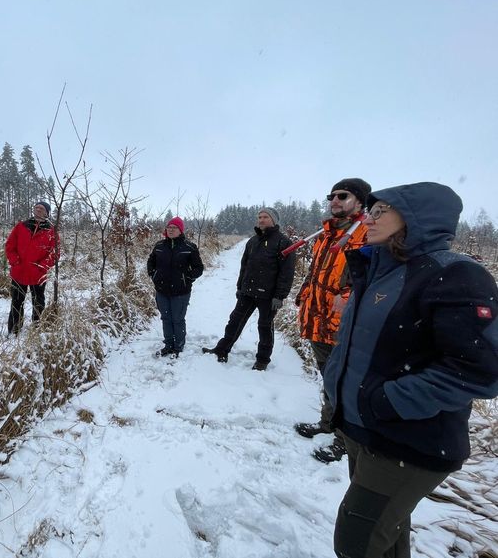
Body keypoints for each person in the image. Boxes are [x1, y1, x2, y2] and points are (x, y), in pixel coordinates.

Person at [324, 182, 498, 558]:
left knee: (357, 543)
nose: (368, 218)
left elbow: (480, 370)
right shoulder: (378, 271)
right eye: (370, 210)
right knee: (387, 538)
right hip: (368, 430)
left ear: (417, 219)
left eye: (380, 210)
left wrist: (388, 402)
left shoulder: (453, 275)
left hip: (409, 440)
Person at [293, 177, 371, 463]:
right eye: (332, 196)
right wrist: (303, 294)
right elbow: (316, 271)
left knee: (346, 384)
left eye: (343, 195)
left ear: (360, 201)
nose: (335, 200)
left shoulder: (367, 233)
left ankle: (345, 440)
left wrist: (351, 296)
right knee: (328, 379)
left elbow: (373, 277)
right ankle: (327, 424)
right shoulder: (326, 234)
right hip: (317, 319)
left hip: (345, 324)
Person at [202, 207, 295, 370]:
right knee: (234, 321)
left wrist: (279, 296)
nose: (261, 220)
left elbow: (286, 273)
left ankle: (262, 360)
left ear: (274, 220)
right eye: (259, 217)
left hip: (269, 295)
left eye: (265, 217)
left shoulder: (284, 242)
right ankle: (222, 350)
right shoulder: (252, 241)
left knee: (265, 327)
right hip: (247, 292)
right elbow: (244, 267)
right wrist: (240, 287)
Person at [147, 216, 204, 357]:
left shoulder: (189, 247)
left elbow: (199, 268)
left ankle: (178, 346)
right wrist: (154, 276)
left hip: (181, 292)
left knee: (177, 319)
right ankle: (168, 345)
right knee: (165, 318)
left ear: (180, 230)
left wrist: (187, 278)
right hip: (162, 290)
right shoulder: (159, 246)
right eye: (169, 227)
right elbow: (151, 262)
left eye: (174, 228)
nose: (171, 230)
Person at [4, 201, 59, 335]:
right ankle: (14, 330)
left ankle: (37, 328)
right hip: (19, 271)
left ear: (47, 212)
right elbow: (10, 246)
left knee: (38, 302)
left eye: (42, 208)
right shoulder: (21, 226)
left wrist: (41, 266)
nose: (38, 209)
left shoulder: (51, 231)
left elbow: (55, 253)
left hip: (38, 274)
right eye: (36, 207)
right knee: (17, 302)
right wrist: (15, 261)